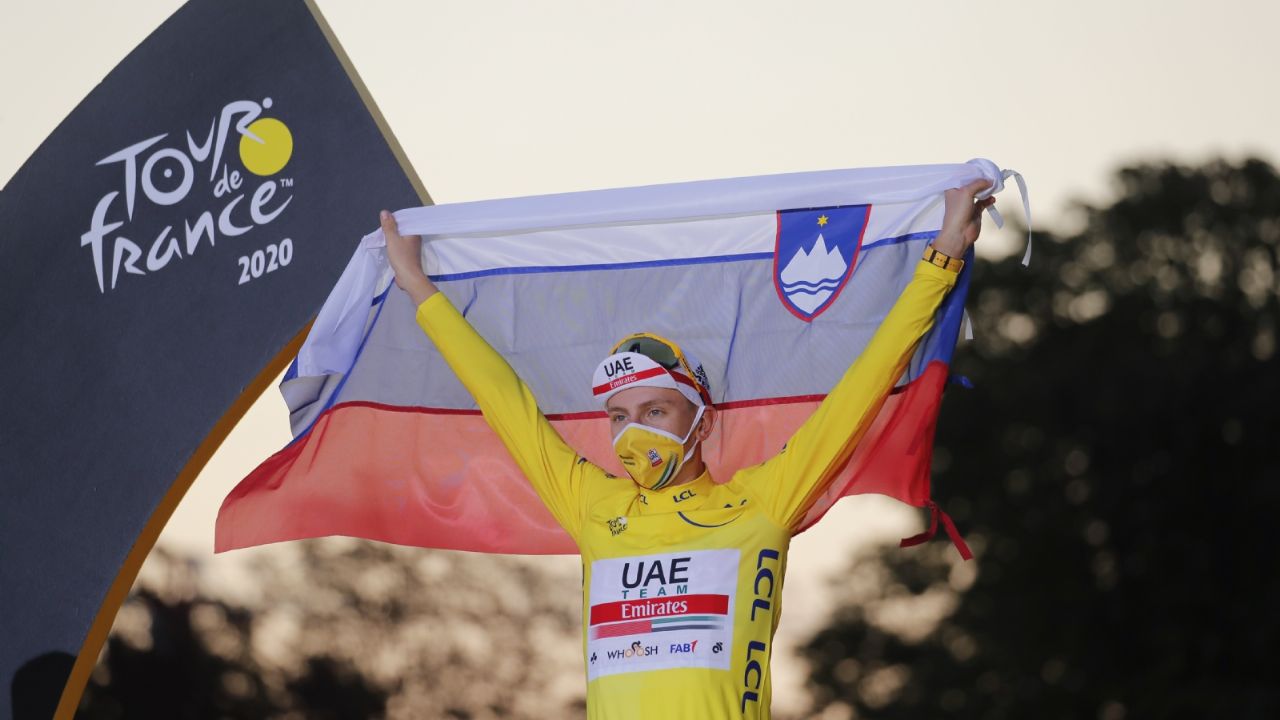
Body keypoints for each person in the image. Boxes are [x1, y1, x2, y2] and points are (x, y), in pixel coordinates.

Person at [382, 178, 994, 719]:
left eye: (654, 411)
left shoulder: (762, 504)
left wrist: (942, 256)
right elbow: (504, 402)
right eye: (618, 416)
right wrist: (417, 288)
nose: (631, 432)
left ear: (700, 422)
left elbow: (864, 385)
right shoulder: (593, 506)